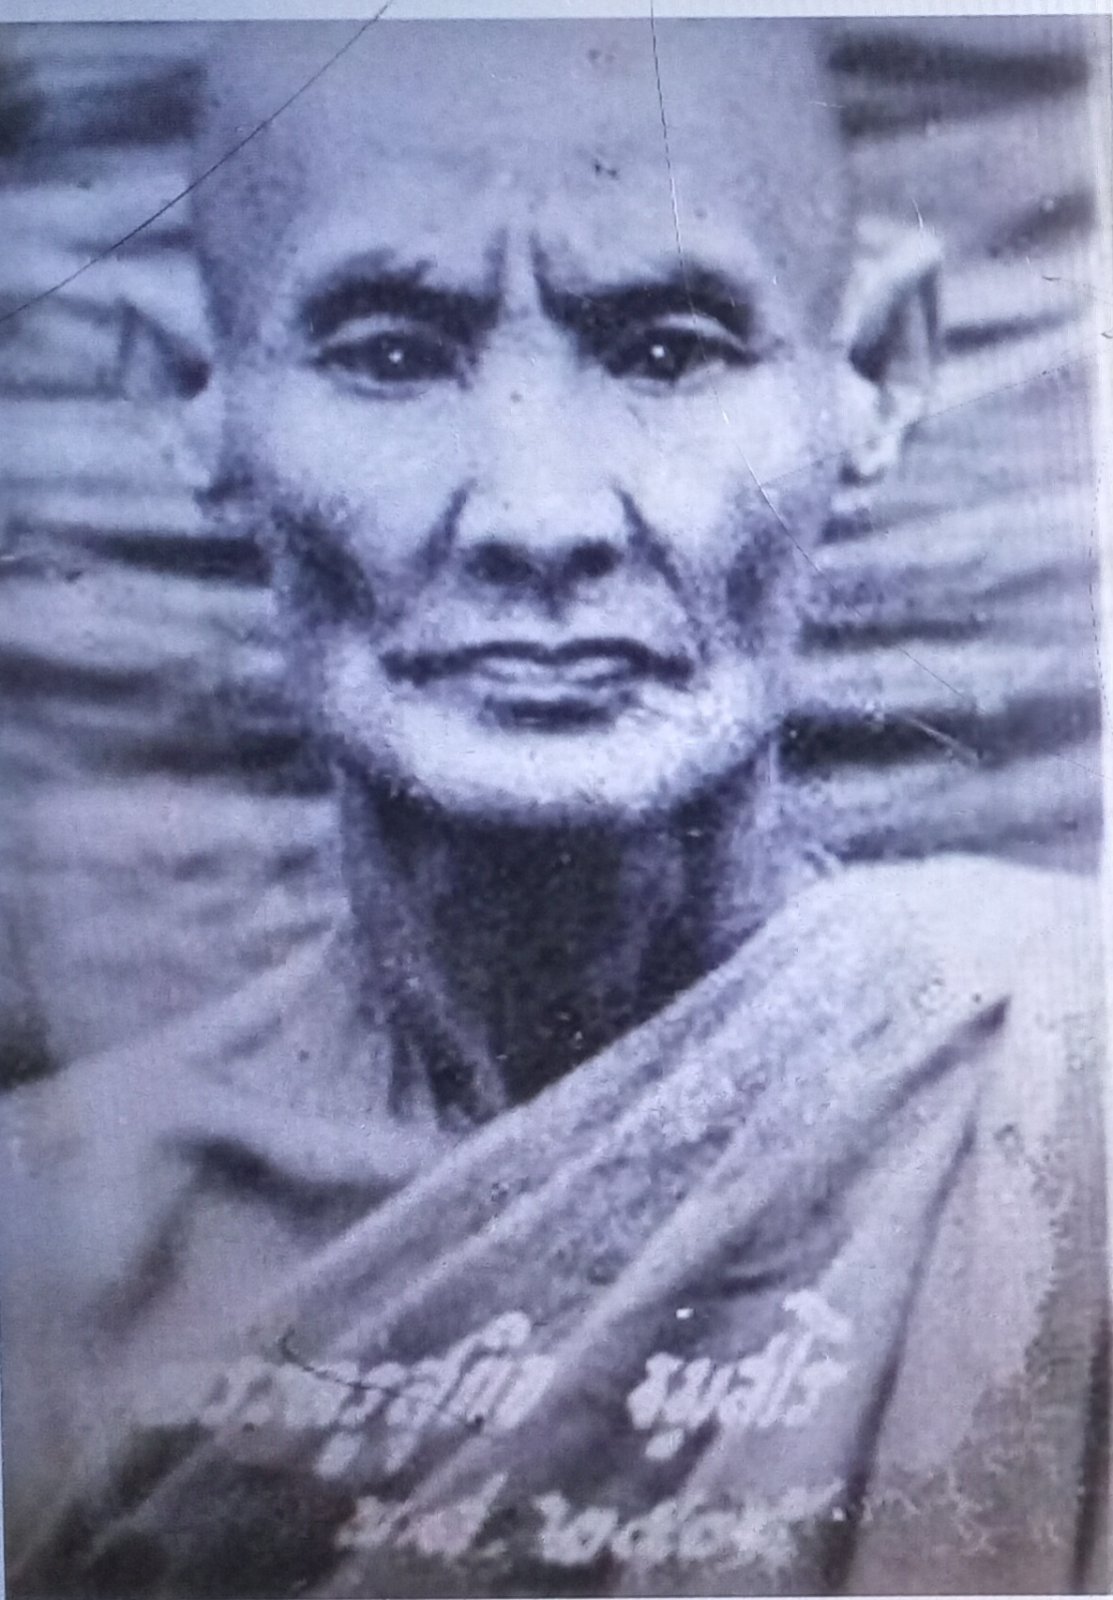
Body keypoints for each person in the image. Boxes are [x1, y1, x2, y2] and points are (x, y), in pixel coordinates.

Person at [0, 19, 1107, 1598]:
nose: (539, 516)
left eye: (666, 350)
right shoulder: (56, 1249)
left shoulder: (1059, 1096)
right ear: (194, 391)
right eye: (391, 352)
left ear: (875, 368)